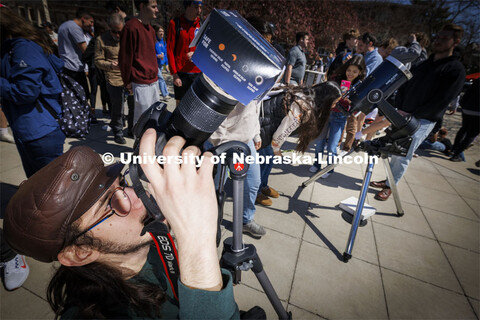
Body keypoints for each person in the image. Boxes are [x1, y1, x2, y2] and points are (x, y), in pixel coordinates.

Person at [3, 133, 239, 318]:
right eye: (111, 204)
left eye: (123, 184)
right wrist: (197, 243)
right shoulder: (104, 313)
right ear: (80, 253)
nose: (135, 196)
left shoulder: (148, 238)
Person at [0, 5, 69, 290]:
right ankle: (51, 225)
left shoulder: (23, 49)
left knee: (53, 188)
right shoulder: (16, 48)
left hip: (39, 131)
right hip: (30, 130)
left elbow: (26, 91)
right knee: (42, 187)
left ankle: (63, 230)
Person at [370, 24, 466, 201]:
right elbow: (405, 84)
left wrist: (412, 115)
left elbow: (442, 100)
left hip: (423, 120)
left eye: (445, 38)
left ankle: (391, 186)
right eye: (438, 36)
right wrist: (398, 108)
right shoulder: (423, 64)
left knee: (403, 153)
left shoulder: (455, 69)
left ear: (455, 42)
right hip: (402, 114)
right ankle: (388, 179)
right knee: (393, 150)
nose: (438, 40)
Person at [256, 82, 341, 206]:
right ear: (326, 99)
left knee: (268, 161)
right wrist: (277, 149)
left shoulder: (306, 95)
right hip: (263, 126)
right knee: (264, 161)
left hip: (267, 124)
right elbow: (282, 132)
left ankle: (263, 185)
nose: (334, 106)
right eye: (333, 102)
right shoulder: (303, 107)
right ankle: (256, 191)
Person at [310, 55, 366, 177]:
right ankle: (316, 164)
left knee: (332, 145)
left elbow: (358, 107)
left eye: (355, 72)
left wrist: (351, 101)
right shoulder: (337, 78)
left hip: (340, 117)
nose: (350, 74)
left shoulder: (360, 86)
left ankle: (329, 169)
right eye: (349, 70)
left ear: (360, 72)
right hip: (326, 113)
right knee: (319, 141)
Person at [119, 0, 160, 131]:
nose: (157, 10)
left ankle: (149, 146)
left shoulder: (151, 30)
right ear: (142, 6)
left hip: (153, 80)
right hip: (140, 82)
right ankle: (139, 148)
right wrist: (127, 81)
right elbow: (125, 57)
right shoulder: (131, 27)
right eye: (153, 7)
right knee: (142, 119)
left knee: (154, 117)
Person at [95, 14, 127, 145]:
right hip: (113, 77)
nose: (118, 35)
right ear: (109, 28)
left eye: (121, 31)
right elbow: (97, 61)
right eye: (115, 31)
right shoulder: (101, 40)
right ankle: (118, 132)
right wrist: (110, 65)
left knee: (131, 105)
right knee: (117, 107)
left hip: (130, 77)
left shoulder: (128, 37)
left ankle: (130, 129)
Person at [167, 0, 202, 106]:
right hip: (181, 73)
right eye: (196, 7)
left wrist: (196, 52)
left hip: (197, 73)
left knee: (196, 105)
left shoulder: (202, 24)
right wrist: (175, 74)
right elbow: (170, 50)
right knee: (180, 105)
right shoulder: (175, 23)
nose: (199, 10)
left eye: (200, 7)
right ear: (187, 6)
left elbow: (206, 47)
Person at [57, 8, 94, 109]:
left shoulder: (64, 25)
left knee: (71, 95)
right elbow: (85, 50)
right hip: (74, 67)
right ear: (83, 19)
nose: (91, 25)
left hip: (65, 64)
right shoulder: (75, 28)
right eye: (91, 22)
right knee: (83, 94)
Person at [450, 78, 480, 162]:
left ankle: (454, 149)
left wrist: (463, 106)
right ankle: (456, 155)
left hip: (467, 109)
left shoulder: (477, 80)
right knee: (471, 135)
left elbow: (467, 93)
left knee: (463, 129)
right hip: (477, 112)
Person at [154, 25, 170, 100]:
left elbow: (165, 53)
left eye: (162, 31)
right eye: (160, 31)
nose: (161, 33)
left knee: (158, 79)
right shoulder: (154, 41)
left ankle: (158, 94)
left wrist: (166, 64)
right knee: (161, 78)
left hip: (161, 64)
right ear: (156, 32)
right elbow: (149, 53)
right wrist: (157, 56)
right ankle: (165, 94)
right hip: (155, 64)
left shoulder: (163, 41)